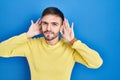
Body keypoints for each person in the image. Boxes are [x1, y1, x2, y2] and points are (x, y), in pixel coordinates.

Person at [0, 7, 103, 80]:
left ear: (61, 26)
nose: (48, 28)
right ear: (41, 25)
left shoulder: (71, 48)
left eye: (54, 24)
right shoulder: (31, 45)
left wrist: (73, 41)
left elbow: (96, 63)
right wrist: (27, 35)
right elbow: (1, 50)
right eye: (45, 23)